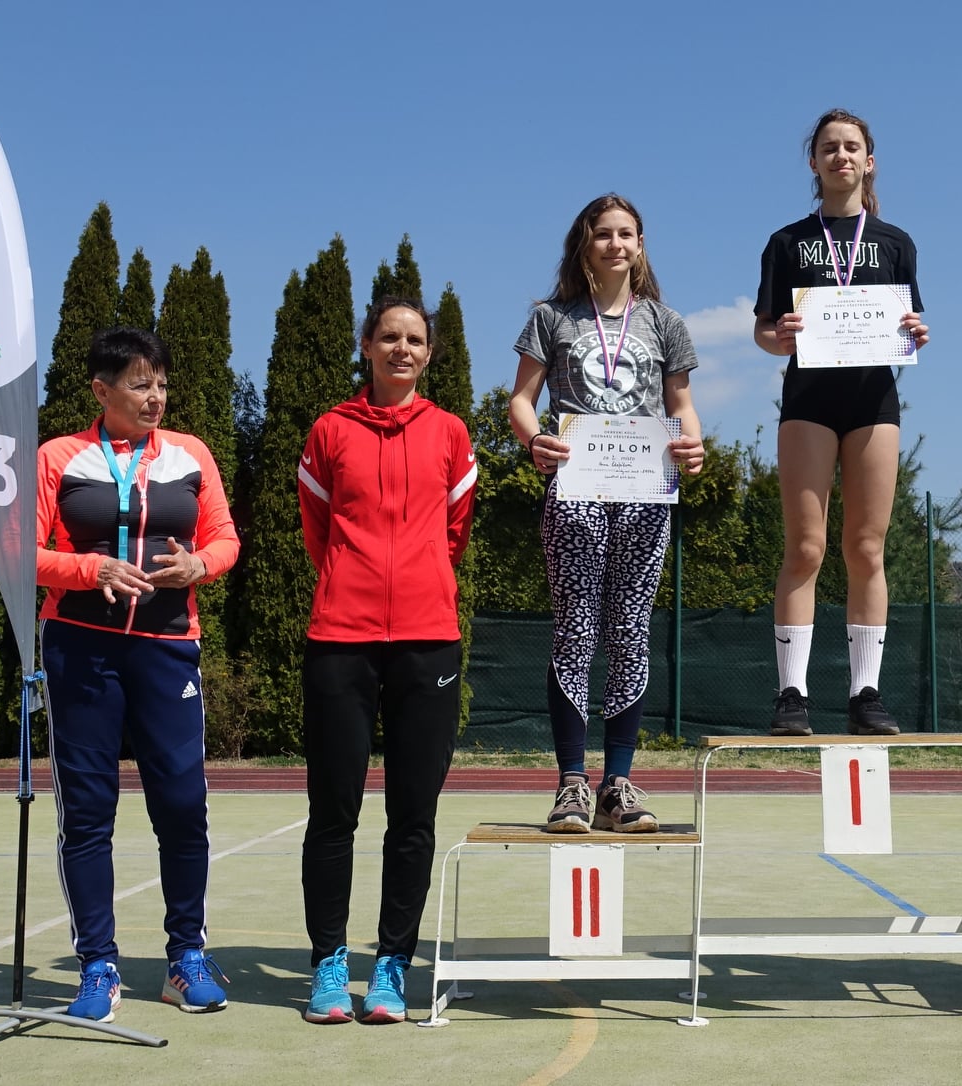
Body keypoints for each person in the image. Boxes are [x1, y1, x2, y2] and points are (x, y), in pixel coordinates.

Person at [36, 327, 239, 1021]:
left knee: (182, 807)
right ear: (102, 390)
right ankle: (97, 966)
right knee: (88, 811)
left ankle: (186, 959)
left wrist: (199, 565)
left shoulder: (190, 454)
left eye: (162, 384)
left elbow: (225, 539)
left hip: (167, 647)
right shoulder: (58, 456)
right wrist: (89, 568)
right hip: (80, 648)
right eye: (139, 384)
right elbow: (24, 550)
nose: (155, 397)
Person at [297, 296, 477, 1024]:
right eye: (389, 337)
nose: (402, 349)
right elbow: (318, 529)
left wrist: (418, 581)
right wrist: (355, 581)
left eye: (415, 340)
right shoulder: (329, 431)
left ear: (428, 354)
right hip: (340, 638)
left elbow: (455, 530)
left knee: (413, 815)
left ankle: (393, 965)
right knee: (332, 812)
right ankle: (329, 963)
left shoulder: (451, 433)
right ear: (367, 346)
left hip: (428, 639)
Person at [510, 193, 704, 836]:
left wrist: (693, 445)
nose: (615, 244)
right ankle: (571, 782)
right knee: (575, 630)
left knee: (630, 631)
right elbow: (521, 400)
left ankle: (617, 783)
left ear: (640, 245)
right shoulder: (550, 317)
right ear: (584, 245)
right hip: (575, 490)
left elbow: (681, 405)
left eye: (626, 234)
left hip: (646, 493)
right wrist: (536, 440)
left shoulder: (666, 322)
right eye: (603, 234)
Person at [753, 107, 931, 737]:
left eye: (852, 147)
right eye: (829, 148)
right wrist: (779, 337)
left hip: (873, 403)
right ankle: (791, 694)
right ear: (814, 161)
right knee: (806, 547)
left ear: (869, 161)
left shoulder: (896, 243)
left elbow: (910, 324)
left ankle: (865, 693)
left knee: (866, 547)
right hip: (808, 401)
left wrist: (915, 332)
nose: (841, 156)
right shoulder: (786, 241)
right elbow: (764, 332)